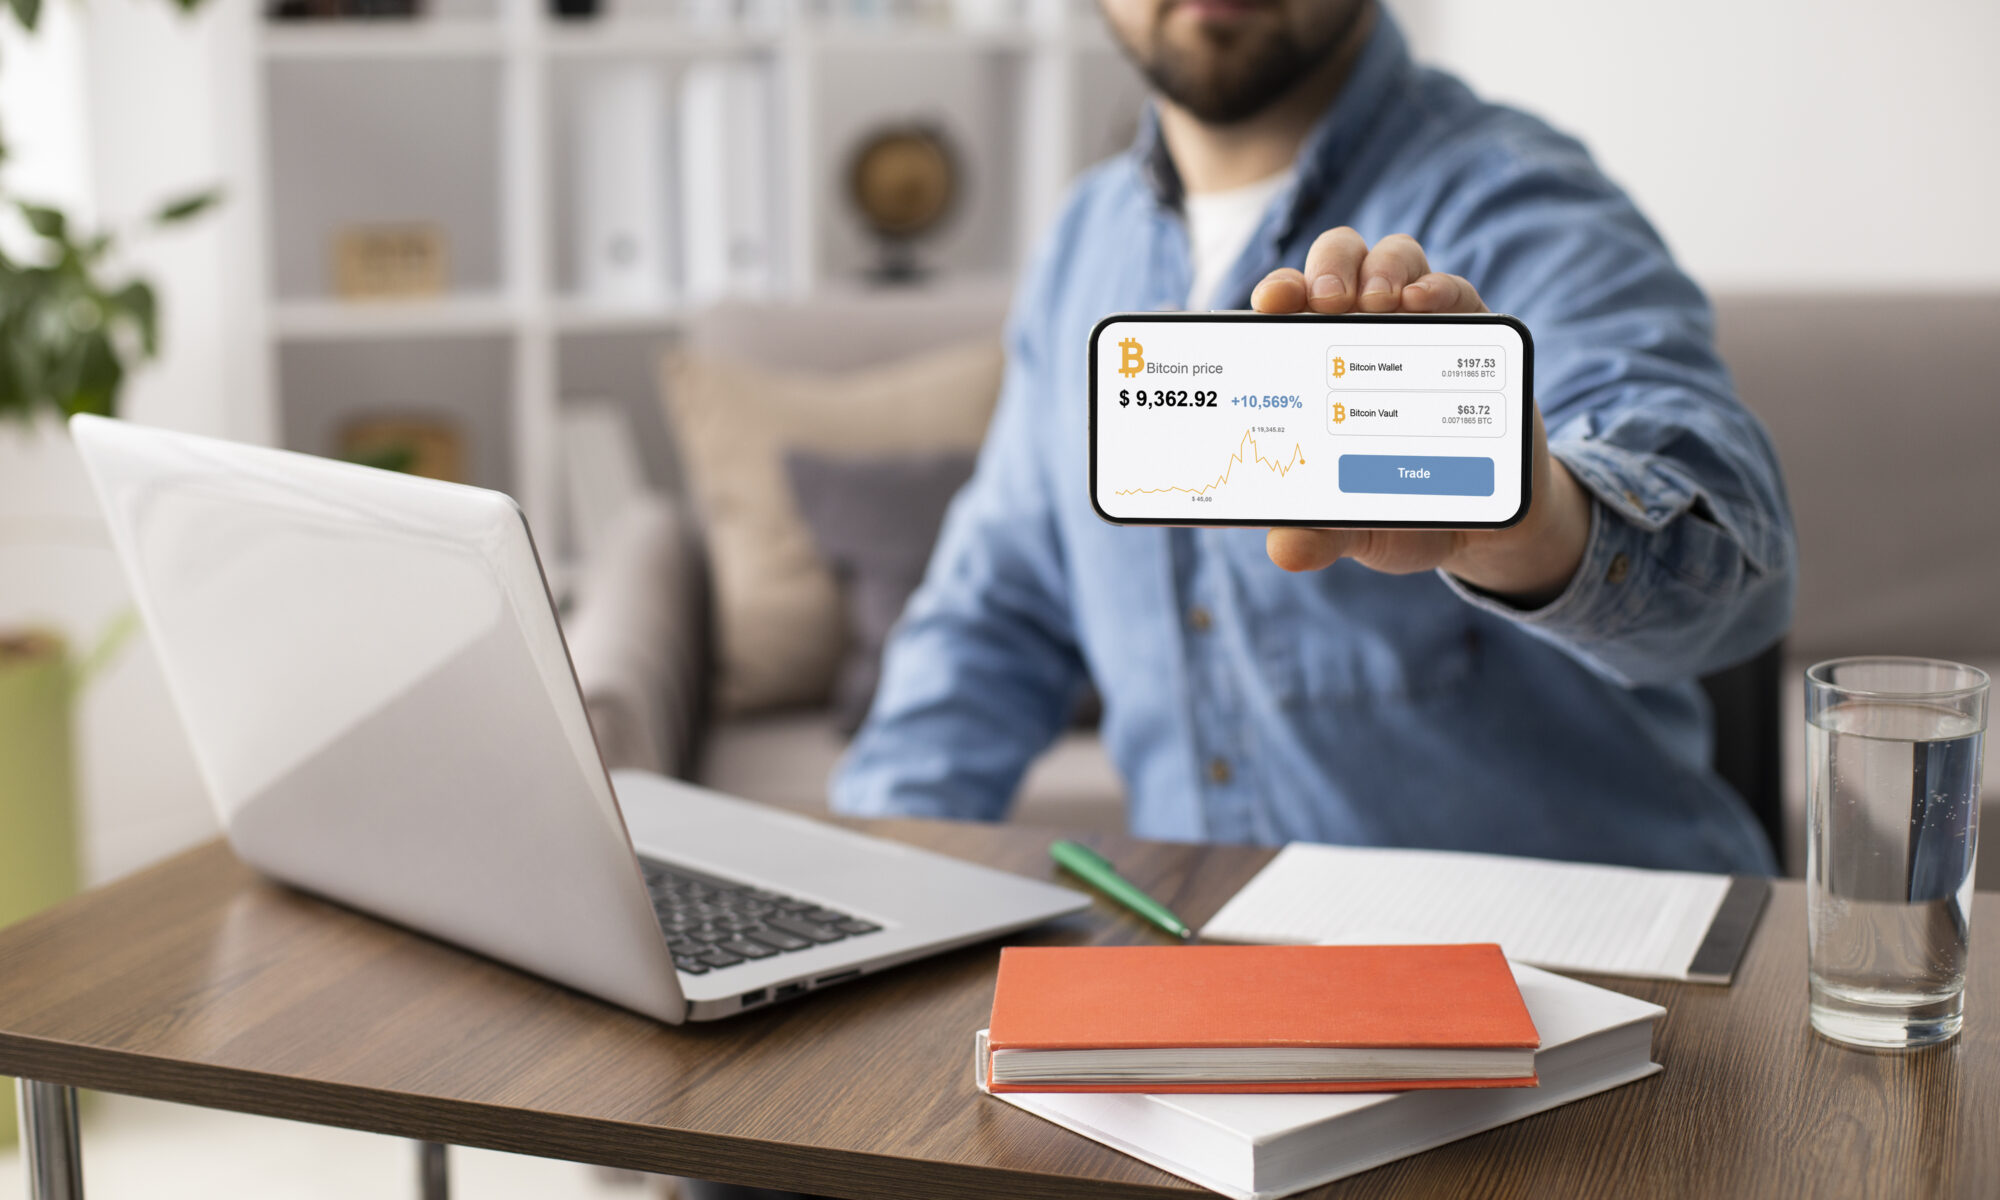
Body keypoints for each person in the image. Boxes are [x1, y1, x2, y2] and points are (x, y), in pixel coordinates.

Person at [829, 0, 1795, 876]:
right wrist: (867, 887)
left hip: (1591, 987)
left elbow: (1740, 561)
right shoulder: (1082, 244)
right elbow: (995, 622)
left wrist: (1537, 526)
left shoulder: (1522, 205)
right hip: (1218, 985)